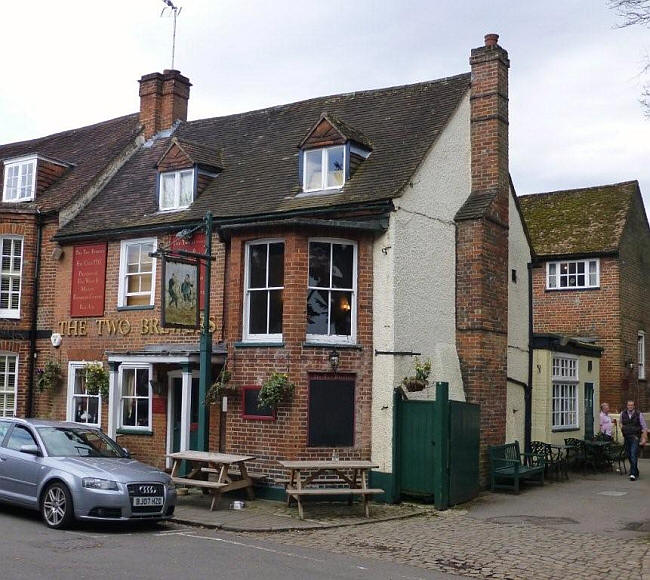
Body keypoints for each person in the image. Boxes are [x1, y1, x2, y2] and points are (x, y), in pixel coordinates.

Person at [620, 400, 648, 481]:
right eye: (629, 405)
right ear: (627, 406)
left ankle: (632, 474)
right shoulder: (623, 413)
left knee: (633, 454)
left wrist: (644, 438)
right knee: (628, 454)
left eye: (632, 405)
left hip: (635, 437)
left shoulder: (639, 414)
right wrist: (622, 428)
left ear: (634, 406)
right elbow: (621, 423)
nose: (630, 406)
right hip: (626, 437)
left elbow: (644, 427)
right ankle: (635, 471)